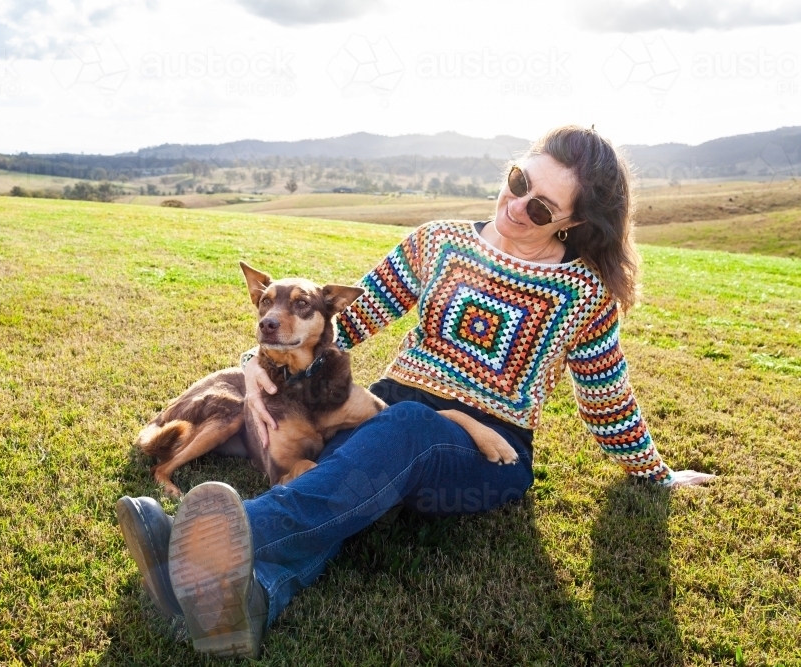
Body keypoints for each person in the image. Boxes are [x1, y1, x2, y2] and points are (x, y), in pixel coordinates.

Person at [116, 125, 717, 660]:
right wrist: (256, 364)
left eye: (540, 208)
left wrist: (656, 473)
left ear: (574, 223)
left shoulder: (584, 292)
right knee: (339, 478)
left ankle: (208, 541)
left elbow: (607, 397)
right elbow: (346, 320)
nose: (514, 207)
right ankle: (250, 601)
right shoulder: (438, 242)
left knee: (402, 432)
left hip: (487, 451)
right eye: (516, 182)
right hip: (386, 409)